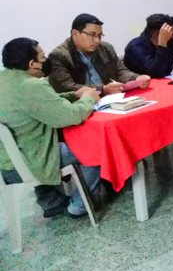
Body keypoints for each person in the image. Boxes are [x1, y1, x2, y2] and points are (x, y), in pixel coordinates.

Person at [0, 38, 102, 218]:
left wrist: (74, 95)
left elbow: (41, 104)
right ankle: (79, 206)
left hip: (8, 164)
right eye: (42, 57)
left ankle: (52, 202)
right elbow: (69, 116)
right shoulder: (31, 85)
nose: (45, 61)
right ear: (32, 64)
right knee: (95, 147)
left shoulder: (5, 79)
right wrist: (89, 98)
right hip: (30, 162)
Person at [48, 14, 150, 95]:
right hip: (82, 104)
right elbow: (66, 87)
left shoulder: (105, 48)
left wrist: (136, 78)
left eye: (99, 35)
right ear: (75, 33)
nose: (97, 41)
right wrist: (102, 89)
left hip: (112, 98)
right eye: (92, 35)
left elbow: (120, 71)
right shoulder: (58, 56)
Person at [124, 14, 173, 79]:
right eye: (171, 32)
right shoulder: (136, 46)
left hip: (166, 83)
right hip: (142, 88)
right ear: (157, 35)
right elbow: (156, 74)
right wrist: (162, 44)